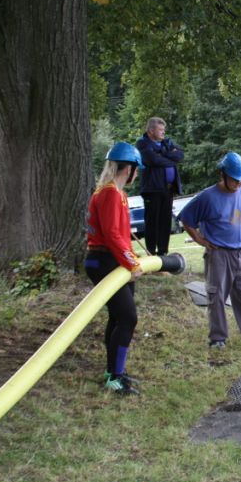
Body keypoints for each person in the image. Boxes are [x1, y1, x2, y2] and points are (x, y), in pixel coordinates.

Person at [177, 152, 241, 349]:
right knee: (216, 296)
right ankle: (218, 339)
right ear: (223, 174)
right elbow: (186, 218)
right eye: (235, 179)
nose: (239, 183)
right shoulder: (207, 197)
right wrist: (200, 239)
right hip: (219, 254)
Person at [86, 143, 146, 396]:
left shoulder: (116, 193)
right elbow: (111, 235)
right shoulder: (110, 193)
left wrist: (132, 257)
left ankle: (114, 371)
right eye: (136, 169)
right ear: (128, 169)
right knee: (128, 318)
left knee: (118, 317)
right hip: (104, 261)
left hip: (113, 260)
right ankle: (115, 377)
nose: (137, 174)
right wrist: (131, 263)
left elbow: (120, 234)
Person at [135, 116, 184, 256]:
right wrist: (170, 158)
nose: (163, 132)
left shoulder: (166, 142)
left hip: (168, 189)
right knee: (152, 221)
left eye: (164, 129)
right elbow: (152, 160)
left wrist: (163, 154)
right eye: (160, 129)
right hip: (152, 189)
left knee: (165, 221)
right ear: (151, 131)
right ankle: (151, 253)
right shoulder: (143, 143)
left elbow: (180, 155)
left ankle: (163, 253)